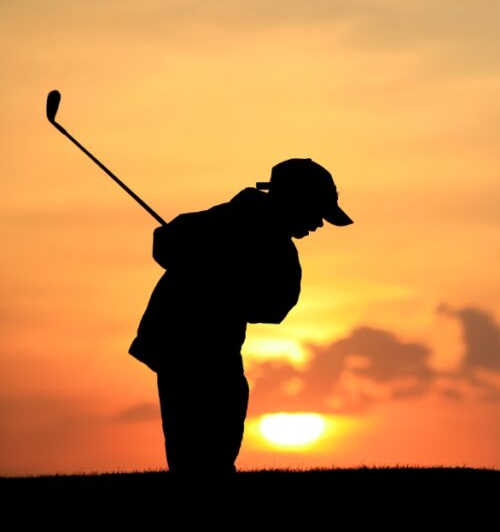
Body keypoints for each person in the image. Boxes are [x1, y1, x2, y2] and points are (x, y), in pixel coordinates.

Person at [128, 158, 353, 473]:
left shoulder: (278, 248)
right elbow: (165, 243)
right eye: (317, 212)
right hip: (179, 343)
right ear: (294, 201)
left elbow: (277, 306)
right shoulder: (230, 219)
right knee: (198, 442)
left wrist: (232, 285)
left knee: (219, 428)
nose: (318, 224)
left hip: (215, 345)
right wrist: (210, 267)